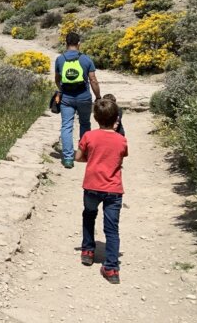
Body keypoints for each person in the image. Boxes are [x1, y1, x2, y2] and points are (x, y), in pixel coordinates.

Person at [75, 98, 128, 284]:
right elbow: (120, 157)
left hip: (91, 186)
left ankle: (88, 251)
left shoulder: (89, 136)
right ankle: (112, 268)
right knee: (112, 228)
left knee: (89, 215)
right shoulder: (121, 140)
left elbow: (78, 157)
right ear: (116, 118)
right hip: (113, 189)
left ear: (95, 117)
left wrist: (91, 160)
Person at [54, 32, 101, 168]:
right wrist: (98, 97)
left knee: (66, 126)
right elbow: (93, 80)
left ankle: (68, 158)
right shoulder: (86, 59)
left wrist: (62, 90)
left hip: (67, 98)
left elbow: (57, 79)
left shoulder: (60, 59)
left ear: (66, 43)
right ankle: (83, 153)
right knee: (85, 123)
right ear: (79, 43)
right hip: (84, 97)